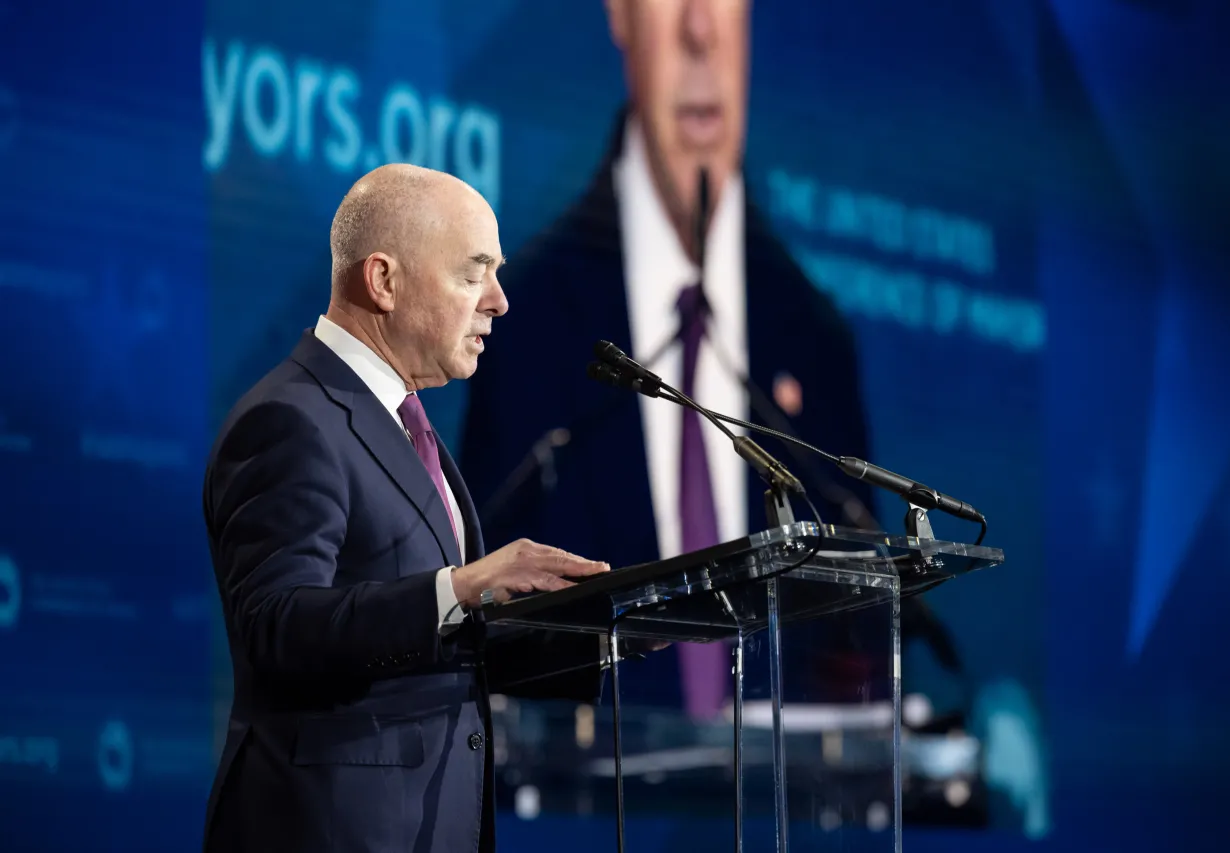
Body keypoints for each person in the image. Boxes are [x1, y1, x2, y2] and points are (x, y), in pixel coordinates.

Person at [461, 0, 876, 715]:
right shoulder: (523, 320)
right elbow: (490, 640)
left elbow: (854, 653)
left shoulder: (816, 338)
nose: (699, 29)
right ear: (618, 15)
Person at [202, 164, 619, 853]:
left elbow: (434, 647)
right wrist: (460, 585)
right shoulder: (290, 419)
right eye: (473, 273)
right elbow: (277, 626)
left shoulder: (405, 423)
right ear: (383, 281)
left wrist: (610, 626)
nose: (500, 301)